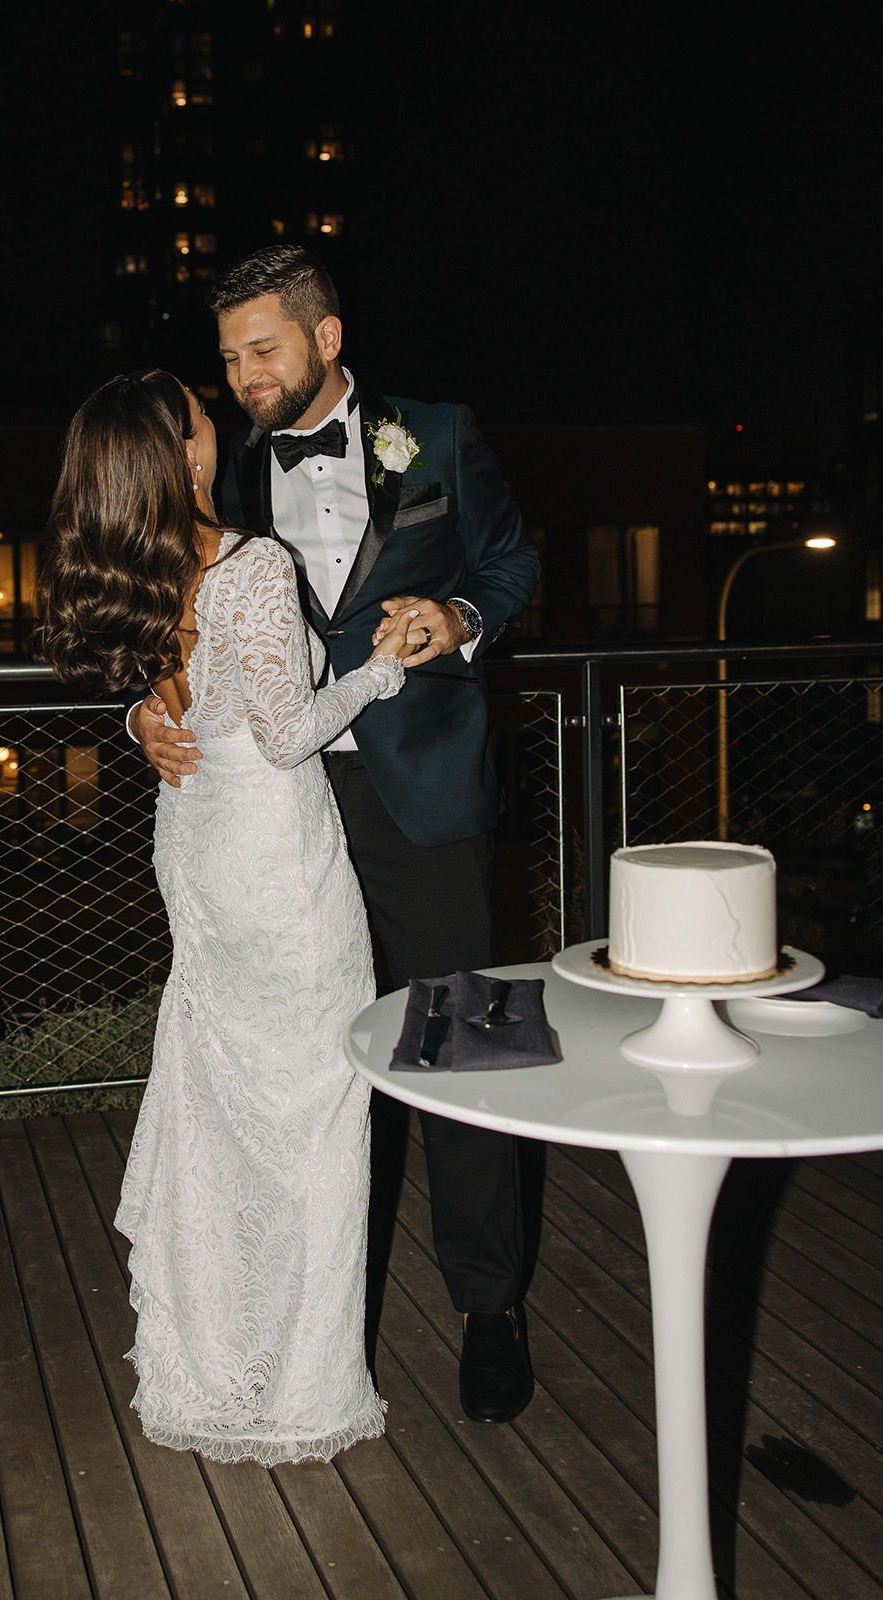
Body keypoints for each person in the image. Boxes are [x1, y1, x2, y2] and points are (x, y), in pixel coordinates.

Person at [132, 246, 543, 1423]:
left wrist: (459, 613)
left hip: (424, 797)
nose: (241, 374)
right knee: (302, 1069)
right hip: (280, 817)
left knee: (461, 1047)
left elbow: (516, 561)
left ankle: (488, 1304)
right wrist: (137, 708)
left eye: (259, 349)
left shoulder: (439, 431)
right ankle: (302, 1315)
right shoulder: (221, 474)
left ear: (324, 337)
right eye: (226, 356)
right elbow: (162, 608)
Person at [35, 368, 417, 1465]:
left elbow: (177, 690)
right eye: (203, 418)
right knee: (318, 1112)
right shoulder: (253, 562)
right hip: (275, 865)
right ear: (186, 454)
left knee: (223, 1107)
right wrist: (381, 670)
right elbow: (290, 732)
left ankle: (213, 1356)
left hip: (194, 849)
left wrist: (135, 711)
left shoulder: (135, 563)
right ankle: (302, 1386)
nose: (218, 421)